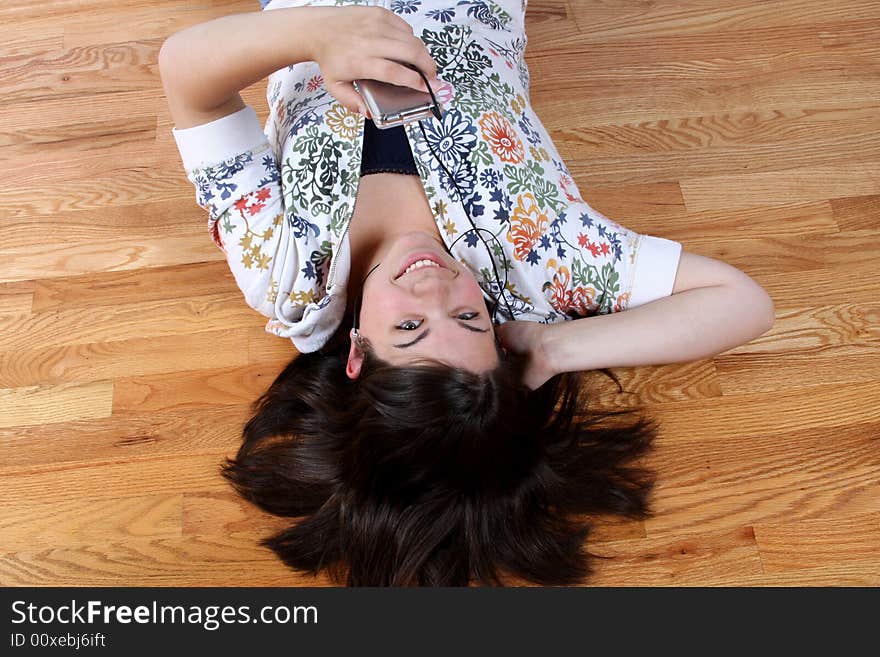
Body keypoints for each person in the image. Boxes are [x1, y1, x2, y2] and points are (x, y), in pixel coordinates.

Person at [159, 0, 775, 586]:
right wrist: (552, 347)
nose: (433, 285)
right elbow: (742, 302)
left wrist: (317, 33)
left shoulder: (287, 275)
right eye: (469, 319)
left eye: (409, 329)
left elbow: (188, 76)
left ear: (355, 356)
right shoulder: (543, 260)